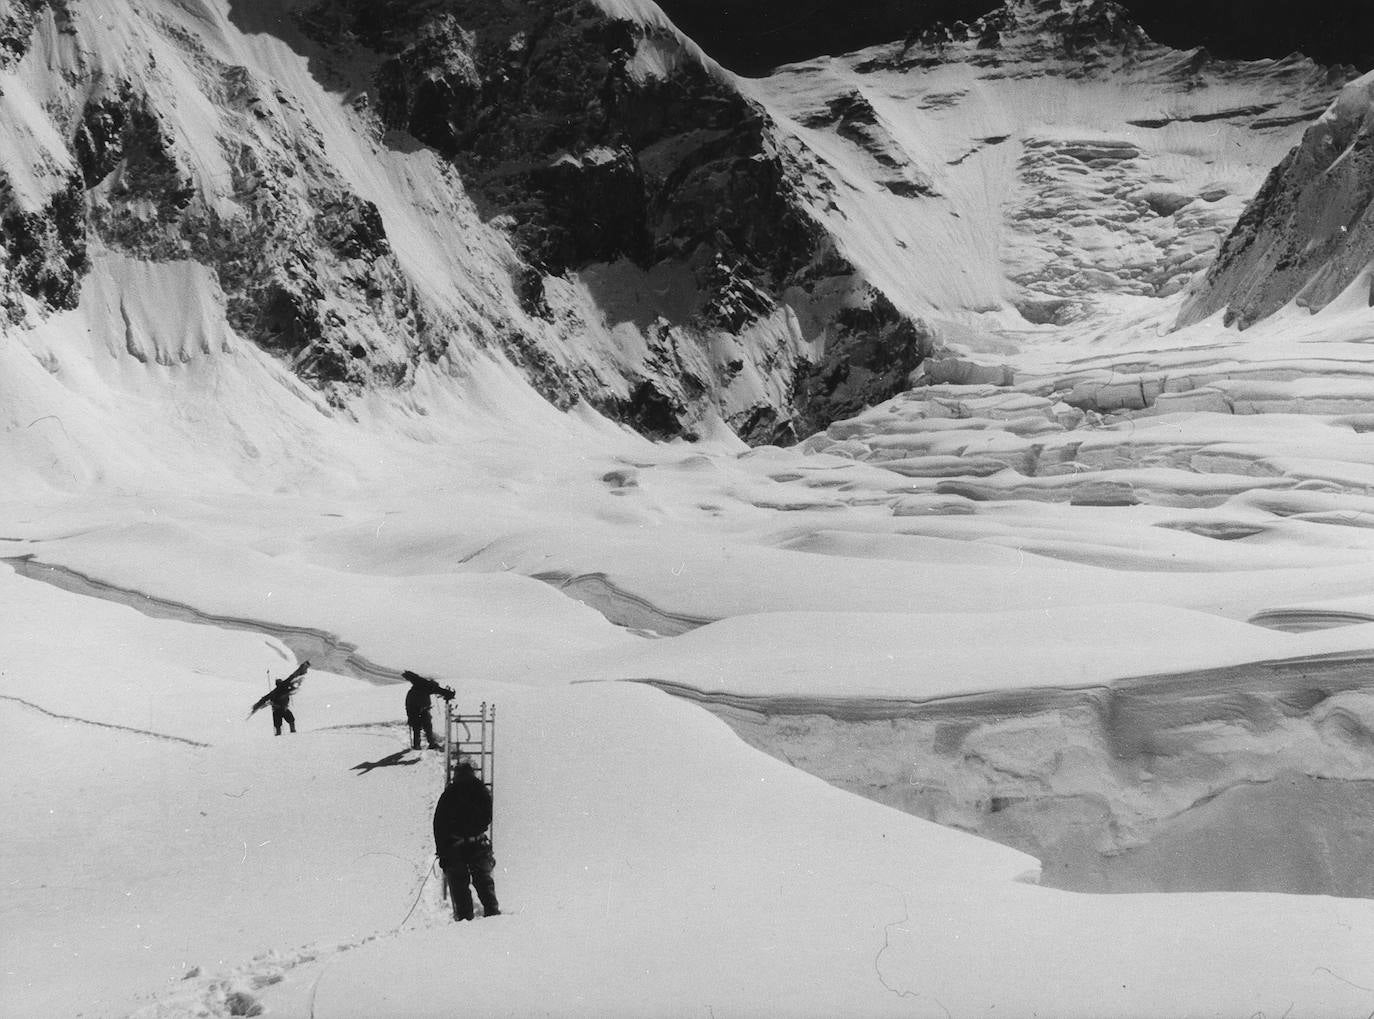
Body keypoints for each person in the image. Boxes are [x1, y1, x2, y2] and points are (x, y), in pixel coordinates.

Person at [433, 759, 499, 921]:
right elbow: (487, 817)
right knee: (483, 881)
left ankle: (464, 919)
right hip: (477, 843)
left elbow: (439, 825)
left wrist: (443, 851)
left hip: (454, 846)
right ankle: (493, 913)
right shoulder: (480, 790)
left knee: (458, 885)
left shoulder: (449, 794)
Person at [249, 660, 310, 735]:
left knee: (278, 725)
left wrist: (256, 707)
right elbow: (293, 676)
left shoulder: (274, 692)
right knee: (291, 720)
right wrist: (303, 667)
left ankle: (279, 735)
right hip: (283, 708)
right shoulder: (285, 686)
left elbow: (264, 699)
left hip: (276, 710)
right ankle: (293, 732)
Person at [402, 670, 454, 750]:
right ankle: (430, 744)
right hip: (420, 709)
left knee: (417, 728)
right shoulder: (427, 686)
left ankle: (417, 745)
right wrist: (449, 694)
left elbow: (414, 677)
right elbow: (439, 690)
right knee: (427, 727)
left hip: (413, 709)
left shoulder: (420, 684)